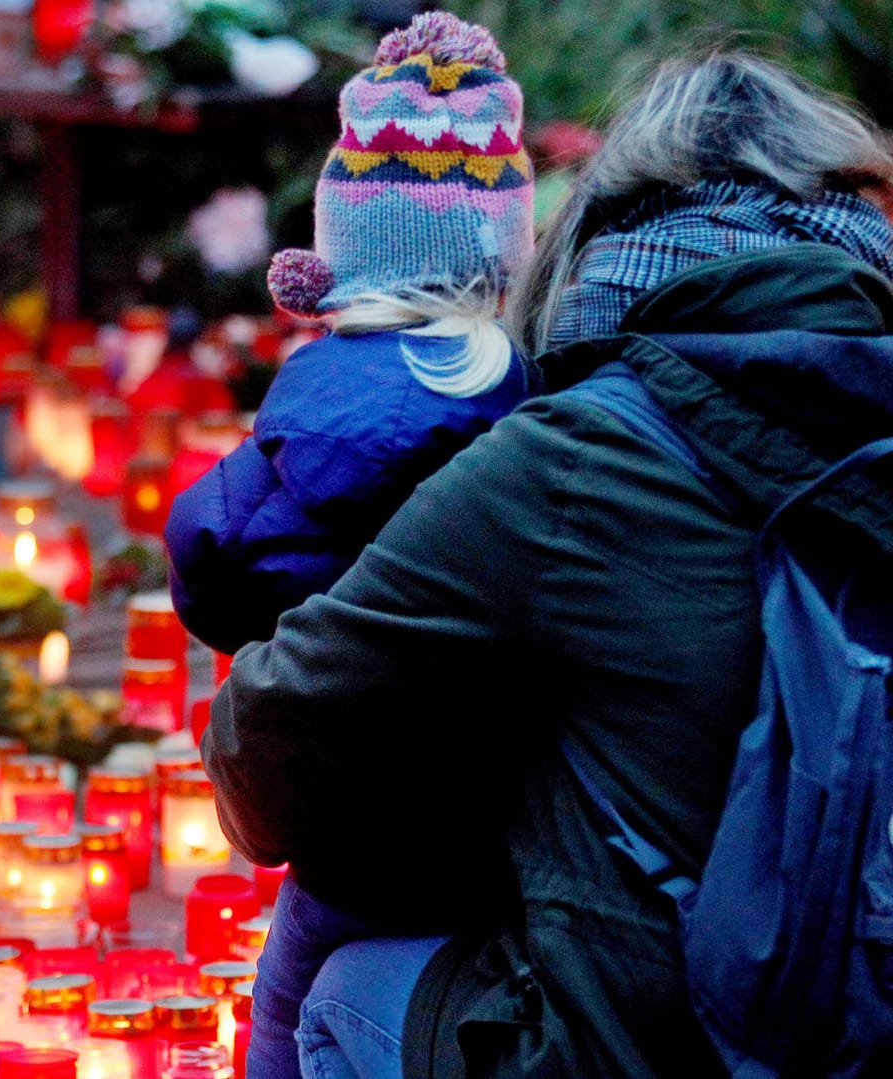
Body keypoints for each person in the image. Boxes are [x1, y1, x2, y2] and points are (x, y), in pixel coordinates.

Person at [202, 51, 893, 1079]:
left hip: (648, 1046)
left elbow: (265, 747)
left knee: (342, 995)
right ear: (875, 246)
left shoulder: (567, 464)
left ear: (605, 244)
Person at [163, 12, 537, 1078]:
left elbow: (212, 556)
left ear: (336, 254)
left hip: (354, 831)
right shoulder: (530, 398)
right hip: (500, 823)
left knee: (284, 1009)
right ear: (503, 258)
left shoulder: (314, 402)